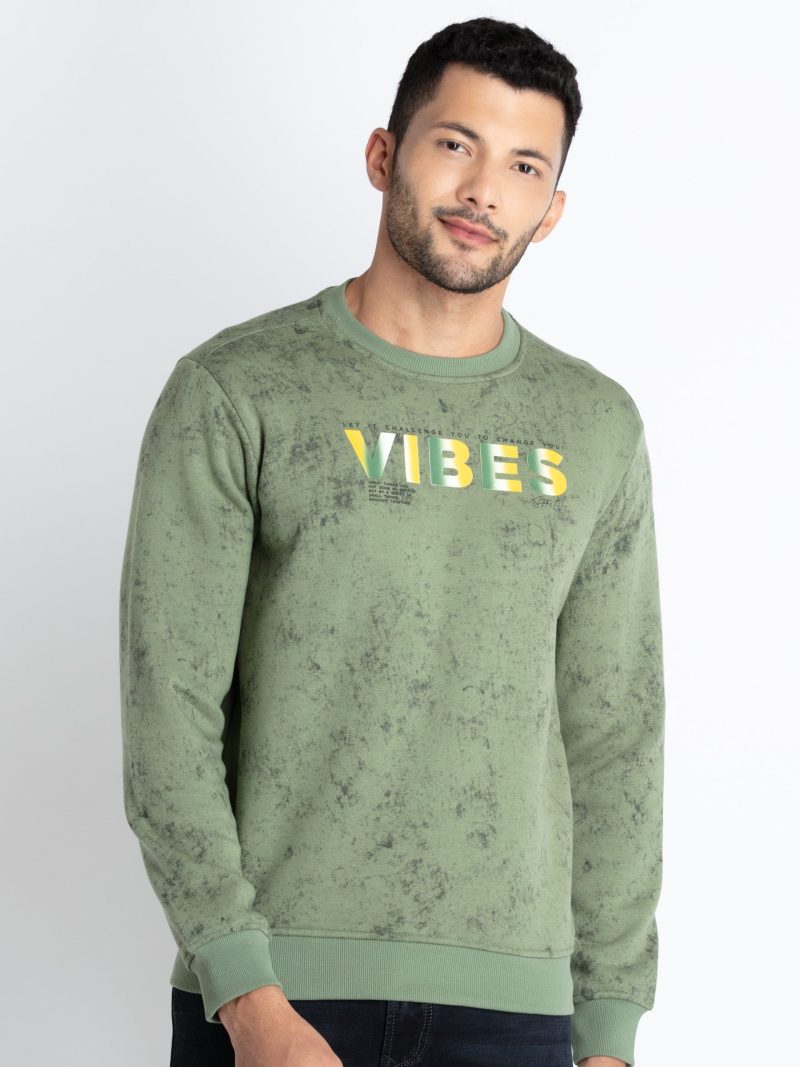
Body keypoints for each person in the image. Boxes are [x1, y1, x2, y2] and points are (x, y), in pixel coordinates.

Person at [119, 16, 665, 1067]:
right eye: (454, 144)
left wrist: (608, 1023)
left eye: (523, 166)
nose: (482, 190)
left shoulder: (595, 425)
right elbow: (168, 710)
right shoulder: (238, 389)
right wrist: (248, 995)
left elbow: (615, 733)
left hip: (518, 1006)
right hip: (278, 996)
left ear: (550, 210)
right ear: (384, 155)